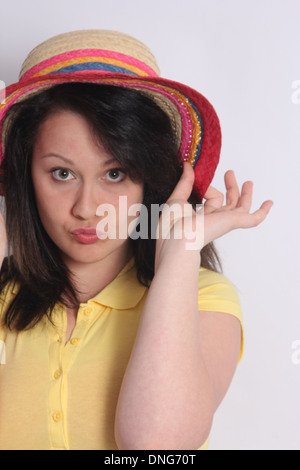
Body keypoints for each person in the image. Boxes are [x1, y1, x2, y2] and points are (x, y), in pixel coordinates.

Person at [0, 30, 273, 450]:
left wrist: (180, 256)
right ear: (24, 177)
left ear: (150, 179)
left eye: (115, 174)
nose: (87, 208)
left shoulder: (202, 298)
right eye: (61, 173)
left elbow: (157, 451)